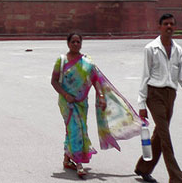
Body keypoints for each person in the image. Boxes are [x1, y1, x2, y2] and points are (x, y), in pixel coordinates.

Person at [51, 33, 142, 178]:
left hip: (81, 102)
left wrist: (101, 95)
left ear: (81, 44)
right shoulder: (61, 61)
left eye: (78, 42)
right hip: (66, 102)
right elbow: (54, 81)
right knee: (76, 129)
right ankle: (79, 162)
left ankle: (67, 159)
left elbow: (96, 80)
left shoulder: (87, 61)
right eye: (73, 42)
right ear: (68, 43)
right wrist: (65, 94)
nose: (75, 44)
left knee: (76, 128)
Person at [134, 14, 182, 183]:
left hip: (170, 95)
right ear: (159, 26)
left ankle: (143, 168)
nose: (169, 26)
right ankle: (177, 178)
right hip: (154, 95)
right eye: (166, 24)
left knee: (160, 135)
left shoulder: (178, 50)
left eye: (172, 24)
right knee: (165, 136)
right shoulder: (151, 48)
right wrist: (141, 104)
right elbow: (145, 77)